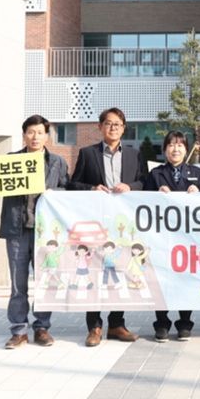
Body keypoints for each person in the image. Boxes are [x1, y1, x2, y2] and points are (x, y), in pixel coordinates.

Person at [67, 107, 144, 347]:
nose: (113, 128)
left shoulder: (134, 155)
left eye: (117, 124)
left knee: (120, 272)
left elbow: (144, 182)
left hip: (123, 225)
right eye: (108, 123)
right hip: (96, 224)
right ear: (100, 127)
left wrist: (131, 187)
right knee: (95, 273)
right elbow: (73, 184)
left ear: (124, 128)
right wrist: (91, 188)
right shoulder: (87, 153)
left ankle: (117, 324)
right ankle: (94, 327)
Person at [0, 114, 69, 349]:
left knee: (45, 282)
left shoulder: (57, 162)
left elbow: (67, 189)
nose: (35, 137)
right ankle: (19, 331)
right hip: (16, 230)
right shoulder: (11, 160)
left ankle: (42, 327)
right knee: (18, 285)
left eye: (39, 132)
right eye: (30, 132)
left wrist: (55, 193)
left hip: (45, 232)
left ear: (47, 136)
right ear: (24, 135)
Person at [145, 131, 200, 342]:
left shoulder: (196, 173)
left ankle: (185, 323)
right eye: (171, 145)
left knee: (185, 277)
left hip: (187, 238)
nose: (175, 149)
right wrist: (156, 193)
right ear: (165, 150)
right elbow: (142, 201)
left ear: (186, 149)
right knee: (161, 279)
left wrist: (198, 192)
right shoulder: (156, 174)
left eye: (180, 145)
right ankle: (162, 322)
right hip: (161, 237)